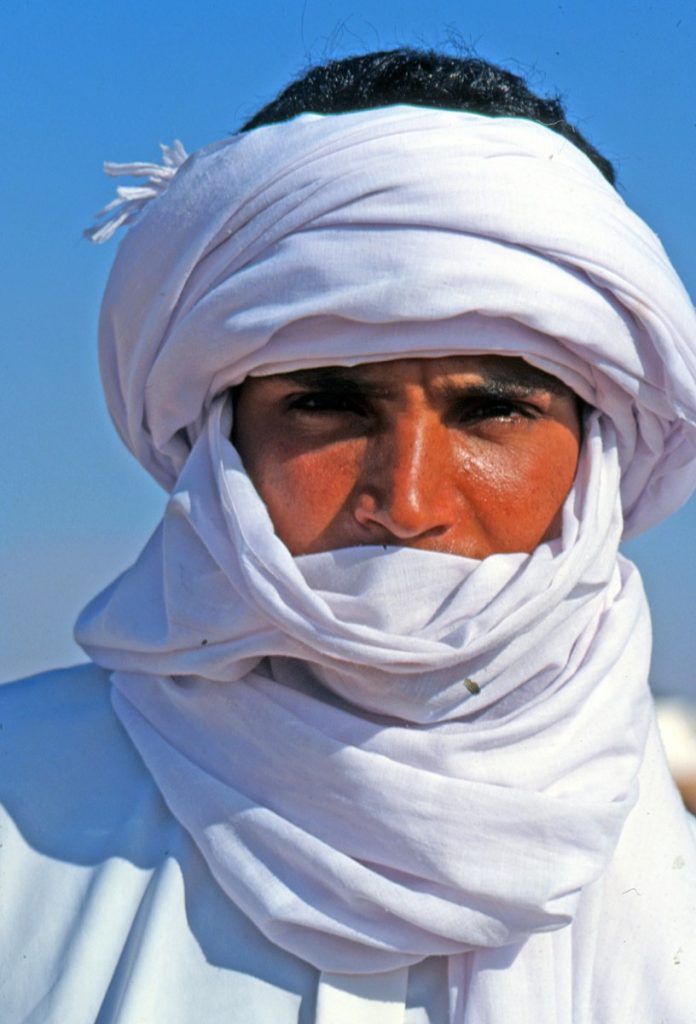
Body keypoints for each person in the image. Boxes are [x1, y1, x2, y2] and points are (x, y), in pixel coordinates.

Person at [2, 47, 696, 1023]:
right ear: (218, 439)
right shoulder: (18, 806)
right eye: (329, 405)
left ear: (598, 456)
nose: (405, 501)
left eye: (492, 411)